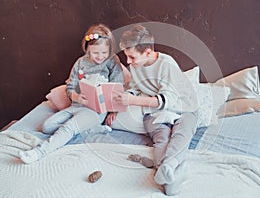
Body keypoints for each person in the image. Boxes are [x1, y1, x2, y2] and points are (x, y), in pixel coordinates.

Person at [111, 24, 199, 195]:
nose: (128, 62)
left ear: (148, 53)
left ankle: (169, 165)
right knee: (161, 138)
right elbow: (135, 88)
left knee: (182, 133)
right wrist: (124, 99)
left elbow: (166, 99)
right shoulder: (135, 67)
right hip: (154, 111)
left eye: (132, 57)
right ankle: (167, 180)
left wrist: (133, 100)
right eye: (127, 57)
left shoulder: (167, 65)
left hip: (183, 106)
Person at [18, 23, 124, 164]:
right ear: (87, 49)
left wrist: (113, 112)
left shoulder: (112, 62)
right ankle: (90, 130)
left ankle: (38, 152)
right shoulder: (81, 62)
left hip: (95, 112)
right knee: (46, 127)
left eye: (104, 53)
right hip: (76, 106)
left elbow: (118, 88)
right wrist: (76, 97)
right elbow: (70, 87)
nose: (100, 57)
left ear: (109, 49)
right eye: (95, 53)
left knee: (69, 127)